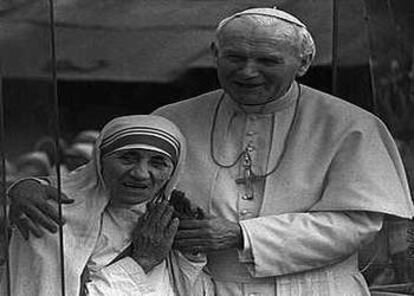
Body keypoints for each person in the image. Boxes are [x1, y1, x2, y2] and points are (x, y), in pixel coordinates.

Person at [6, 7, 414, 295]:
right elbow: (109, 179)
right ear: (215, 55)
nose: (247, 71)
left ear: (303, 63)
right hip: (202, 286)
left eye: (267, 60)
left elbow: (359, 224)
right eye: (235, 57)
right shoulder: (173, 117)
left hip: (318, 288)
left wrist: (240, 234)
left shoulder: (351, 125)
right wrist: (25, 185)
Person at [1, 115, 213, 296]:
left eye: (158, 162)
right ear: (100, 160)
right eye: (127, 158)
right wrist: (141, 261)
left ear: (172, 173)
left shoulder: (168, 219)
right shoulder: (51, 213)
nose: (140, 173)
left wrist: (188, 256)